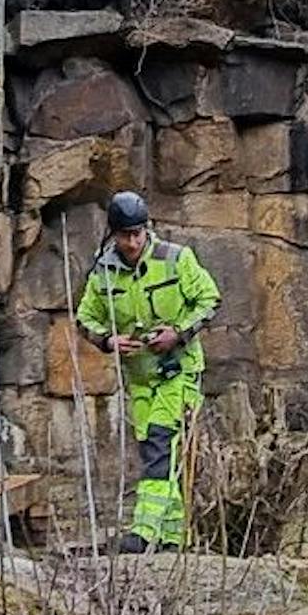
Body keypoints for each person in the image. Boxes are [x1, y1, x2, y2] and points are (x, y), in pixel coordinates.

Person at [76, 191, 222, 552]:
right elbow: (84, 317)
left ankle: (141, 534)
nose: (132, 242)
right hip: (139, 380)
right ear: (113, 234)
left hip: (179, 372)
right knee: (159, 453)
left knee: (160, 445)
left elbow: (210, 300)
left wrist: (179, 333)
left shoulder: (175, 260)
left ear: (147, 229)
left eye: (137, 233)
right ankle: (173, 537)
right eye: (125, 235)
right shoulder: (103, 272)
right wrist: (108, 341)